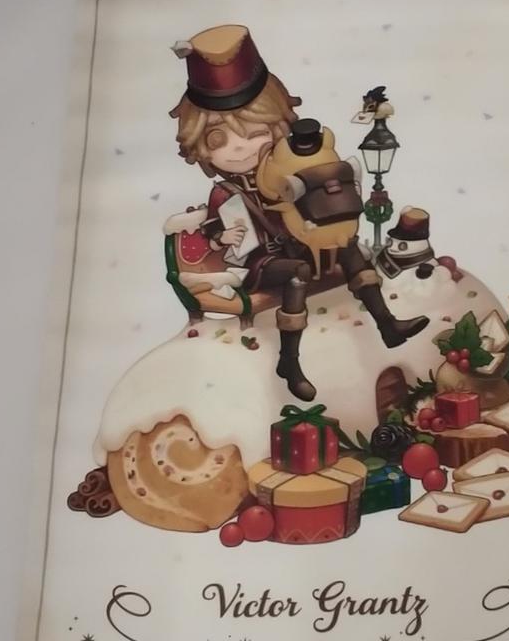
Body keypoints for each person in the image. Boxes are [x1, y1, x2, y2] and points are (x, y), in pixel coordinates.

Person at [170, 24, 427, 401]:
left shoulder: (284, 169)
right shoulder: (225, 192)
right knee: (297, 273)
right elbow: (214, 232)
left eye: (255, 133)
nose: (240, 149)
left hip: (299, 242)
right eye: (219, 139)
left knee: (347, 246)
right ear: (200, 147)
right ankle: (289, 362)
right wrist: (220, 237)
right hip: (260, 262)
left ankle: (387, 324)